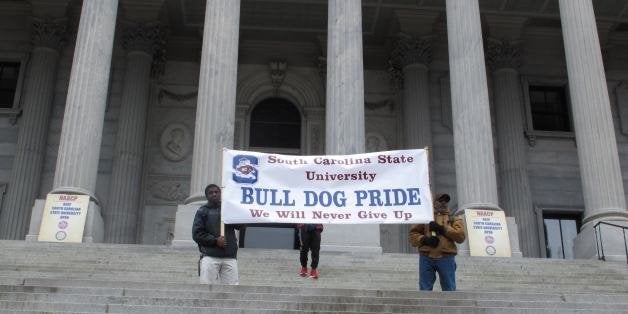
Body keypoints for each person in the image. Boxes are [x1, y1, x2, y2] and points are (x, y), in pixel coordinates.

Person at [409, 193, 465, 291]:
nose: (443, 203)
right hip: (426, 256)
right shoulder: (425, 218)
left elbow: (460, 236)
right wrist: (425, 240)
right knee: (425, 288)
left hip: (446, 257)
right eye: (440, 200)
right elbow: (413, 235)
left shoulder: (454, 218)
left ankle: (450, 306)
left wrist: (443, 229)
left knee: (449, 288)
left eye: (446, 201)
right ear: (434, 202)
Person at [192, 184, 240, 285]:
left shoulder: (228, 209)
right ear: (207, 196)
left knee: (232, 292)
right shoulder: (202, 211)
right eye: (211, 193)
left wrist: (243, 213)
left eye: (216, 192)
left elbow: (239, 225)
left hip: (229, 257)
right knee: (207, 289)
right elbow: (197, 234)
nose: (214, 194)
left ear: (220, 194)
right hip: (210, 256)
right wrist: (215, 241)